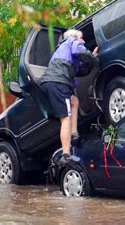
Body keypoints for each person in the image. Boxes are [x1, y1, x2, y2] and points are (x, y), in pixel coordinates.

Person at [40, 29, 98, 165]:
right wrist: (93, 58)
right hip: (59, 83)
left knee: (74, 101)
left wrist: (92, 58)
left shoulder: (64, 50)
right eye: (81, 38)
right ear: (74, 37)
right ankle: (66, 155)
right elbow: (81, 51)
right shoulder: (72, 41)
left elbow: (81, 70)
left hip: (54, 82)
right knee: (65, 118)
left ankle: (74, 133)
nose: (83, 41)